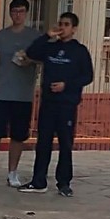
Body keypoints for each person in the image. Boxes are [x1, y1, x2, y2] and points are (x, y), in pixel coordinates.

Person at [18, 12, 94, 197]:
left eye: (66, 24)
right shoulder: (50, 47)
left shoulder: (80, 51)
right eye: (60, 23)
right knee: (43, 143)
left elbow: (87, 76)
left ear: (74, 29)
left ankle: (64, 183)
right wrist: (47, 36)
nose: (62, 27)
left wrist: (66, 85)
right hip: (48, 103)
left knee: (65, 144)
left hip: (67, 104)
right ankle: (39, 181)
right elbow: (31, 53)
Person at [0, 0, 39, 188]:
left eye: (21, 11)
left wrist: (30, 60)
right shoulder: (0, 36)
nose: (18, 15)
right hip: (2, 92)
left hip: (23, 94)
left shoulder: (34, 36)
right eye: (14, 11)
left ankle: (13, 172)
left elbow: (42, 58)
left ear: (26, 13)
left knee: (18, 135)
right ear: (10, 13)